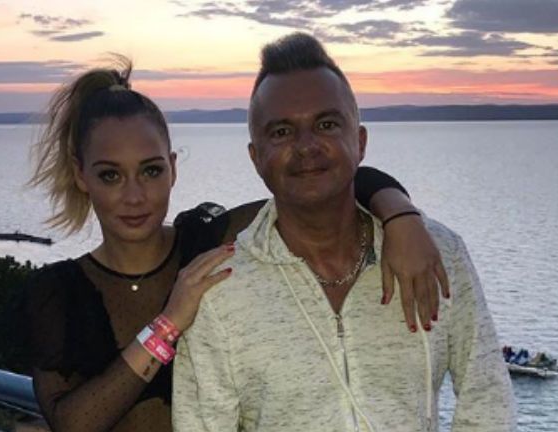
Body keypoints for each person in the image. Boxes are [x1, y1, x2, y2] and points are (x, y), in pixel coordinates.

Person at [20, 58, 449, 431]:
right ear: (81, 176)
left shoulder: (211, 242)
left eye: (150, 171)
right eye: (110, 175)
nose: (134, 196)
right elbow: (72, 423)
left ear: (172, 168)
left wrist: (401, 216)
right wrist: (169, 323)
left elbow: (328, 189)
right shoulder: (58, 294)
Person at [172, 33, 517, 431]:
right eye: (282, 132)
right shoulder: (221, 290)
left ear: (360, 141)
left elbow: (487, 398)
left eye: (326, 124)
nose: (306, 146)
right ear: (256, 157)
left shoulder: (439, 254)